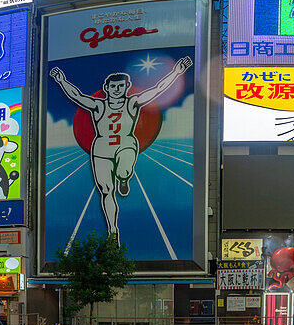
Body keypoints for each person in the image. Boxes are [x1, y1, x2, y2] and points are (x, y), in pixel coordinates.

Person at [48, 56, 192, 240]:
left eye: (121, 86)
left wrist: (176, 72)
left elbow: (157, 90)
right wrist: (61, 80)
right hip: (101, 149)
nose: (117, 90)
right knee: (106, 191)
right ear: (106, 88)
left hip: (125, 144)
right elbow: (76, 96)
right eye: (113, 87)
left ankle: (124, 178)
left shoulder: (132, 103)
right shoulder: (98, 105)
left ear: (126, 88)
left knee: (123, 169)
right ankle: (113, 230)